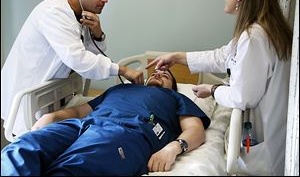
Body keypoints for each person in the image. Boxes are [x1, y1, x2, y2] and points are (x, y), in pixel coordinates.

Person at [146, 0, 293, 176]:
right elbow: (222, 56)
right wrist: (177, 57)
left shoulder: (254, 37)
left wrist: (212, 90)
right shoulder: (263, 31)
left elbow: (242, 97)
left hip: (267, 147)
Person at [1, 0, 144, 136]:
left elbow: (93, 58)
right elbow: (78, 59)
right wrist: (122, 69)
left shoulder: (80, 15)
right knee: (27, 145)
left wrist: (97, 34)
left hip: (50, 96)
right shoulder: (53, 12)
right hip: (29, 93)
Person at [1, 69, 210, 176]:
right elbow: (80, 110)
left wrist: (174, 148)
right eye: (155, 72)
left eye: (166, 75)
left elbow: (195, 130)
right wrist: (54, 116)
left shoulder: (175, 98)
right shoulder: (119, 89)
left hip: (127, 133)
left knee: (75, 167)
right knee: (21, 149)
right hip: (82, 125)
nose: (158, 73)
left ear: (172, 87)